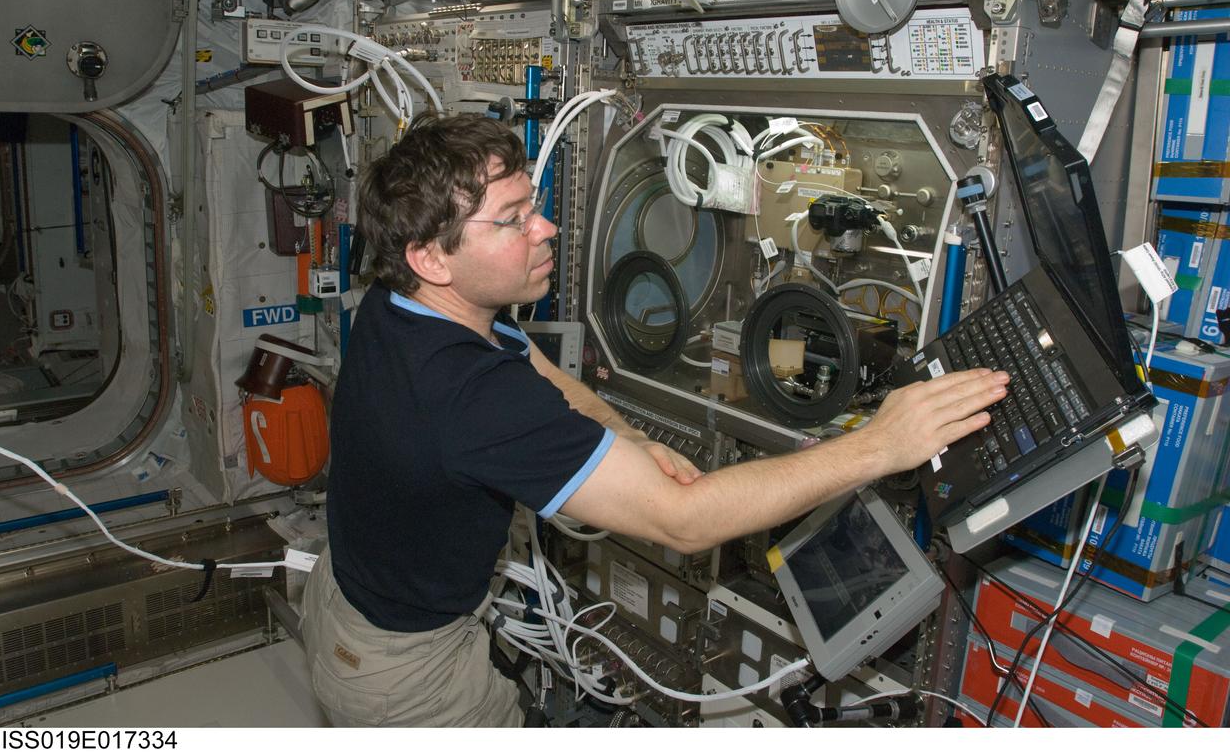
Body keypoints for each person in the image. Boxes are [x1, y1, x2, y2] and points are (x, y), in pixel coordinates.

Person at [299, 112, 1008, 727]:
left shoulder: (403, 309)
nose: (546, 228)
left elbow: (532, 369)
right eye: (513, 221)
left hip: (351, 600)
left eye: (535, 204)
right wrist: (881, 445)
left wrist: (632, 438)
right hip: (406, 673)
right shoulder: (464, 392)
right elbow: (683, 522)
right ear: (431, 257)